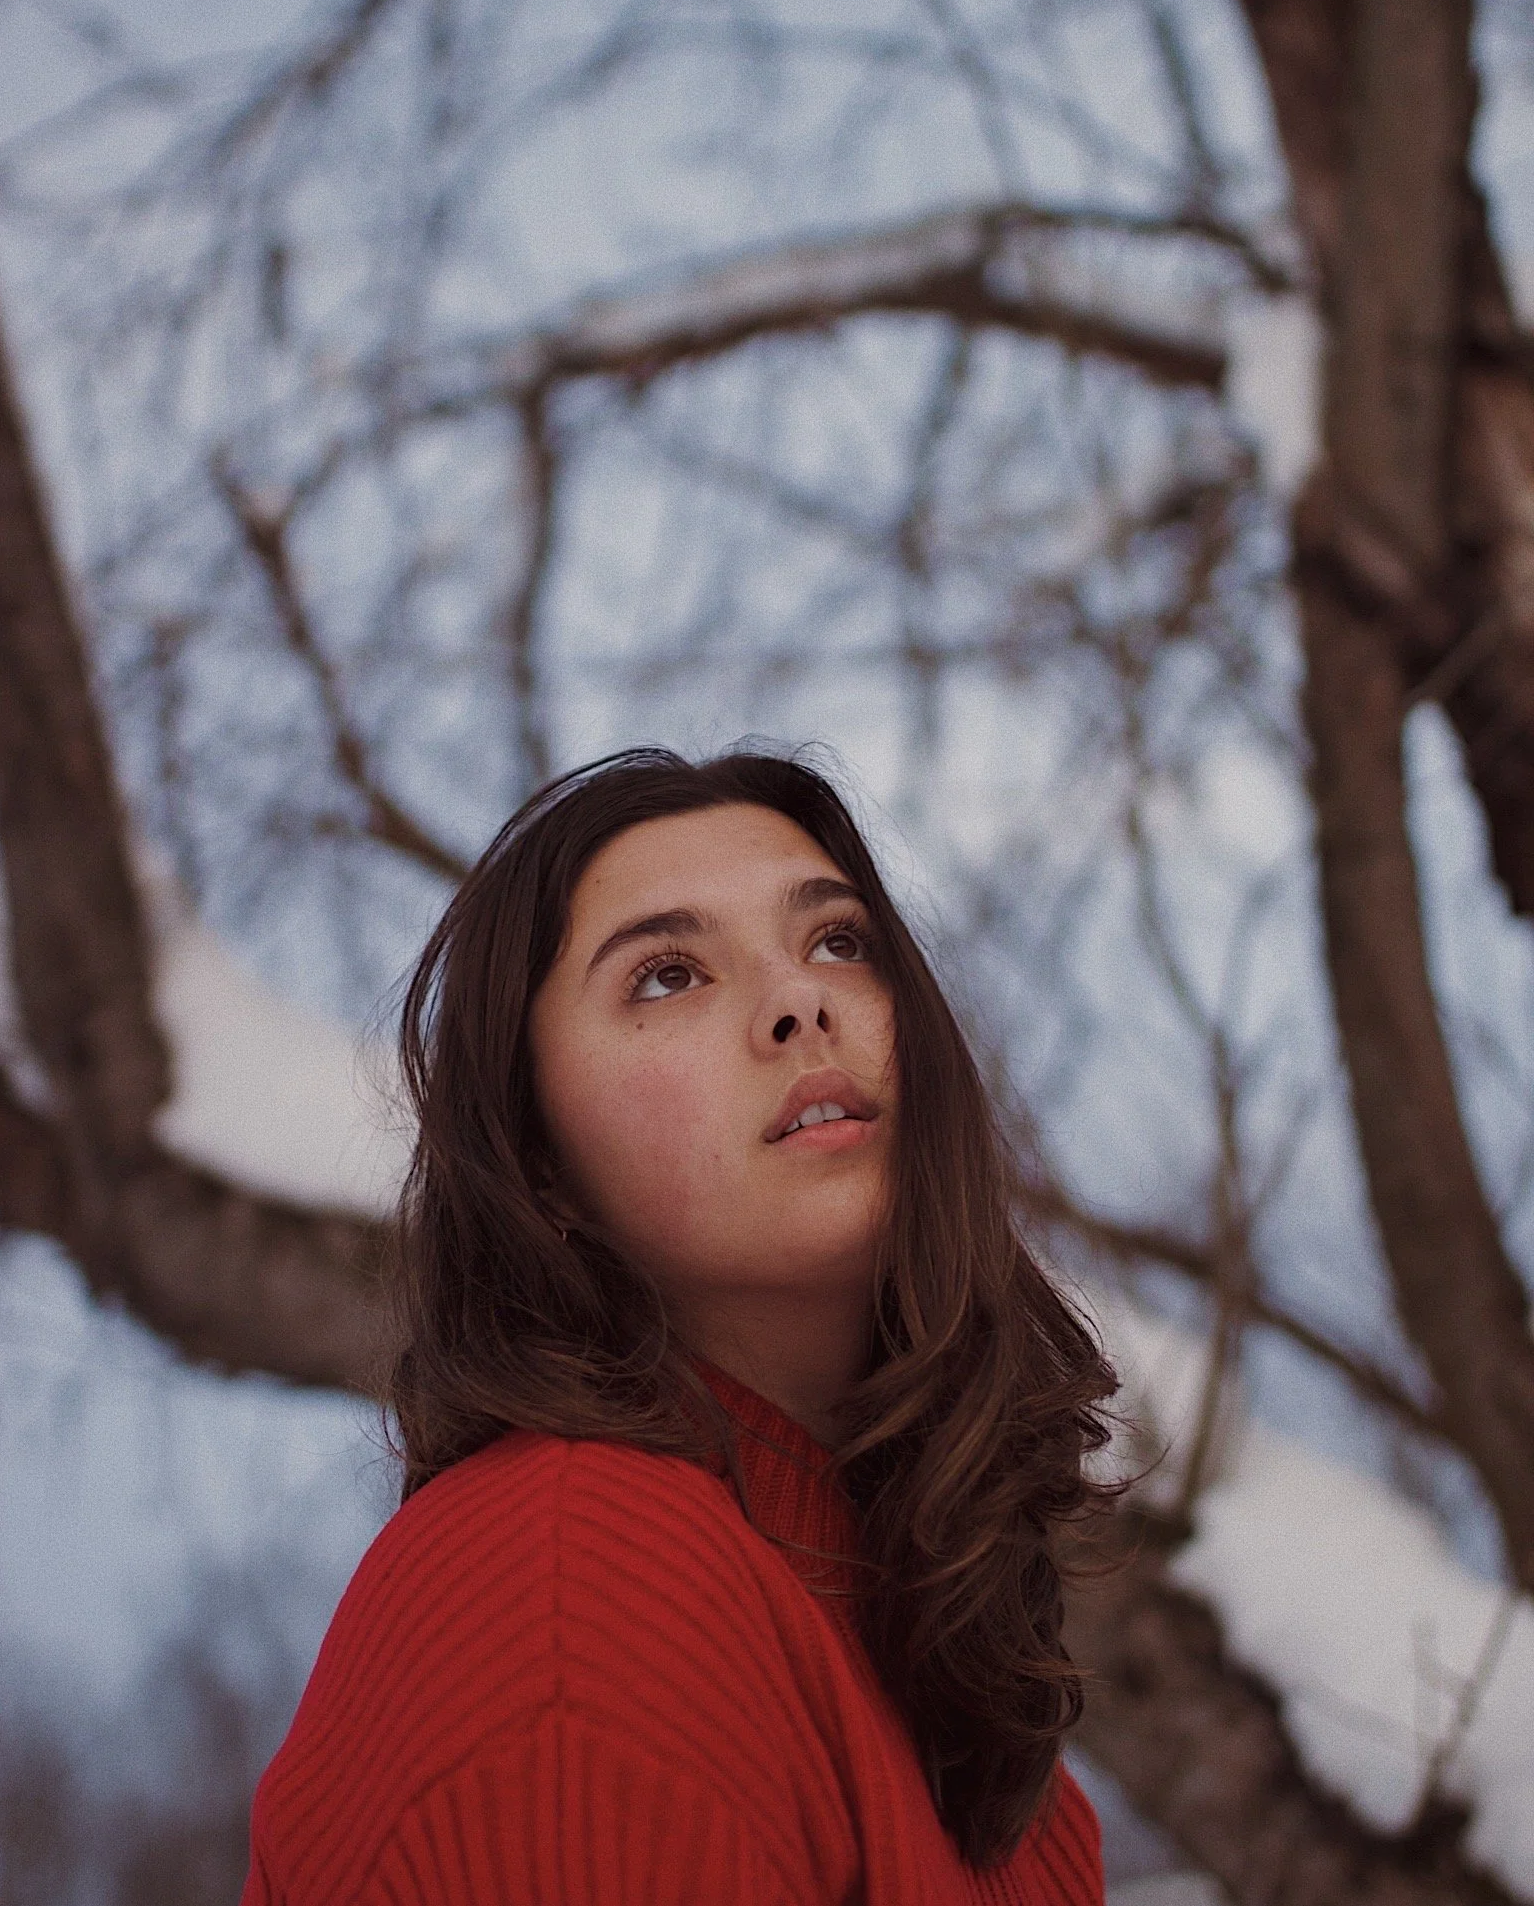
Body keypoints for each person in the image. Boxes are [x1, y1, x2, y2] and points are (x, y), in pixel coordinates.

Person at [242, 748, 1118, 1905]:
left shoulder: (982, 1739)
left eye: (839, 942)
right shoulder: (570, 1593)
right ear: (539, 1165)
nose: (801, 1001)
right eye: (667, 975)